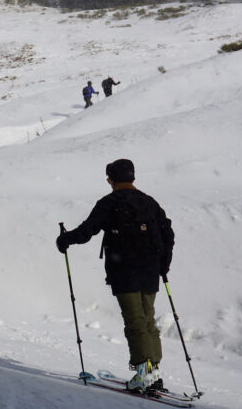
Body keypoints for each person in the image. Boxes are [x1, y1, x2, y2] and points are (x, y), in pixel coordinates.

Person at [56, 159, 174, 392]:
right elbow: (167, 233)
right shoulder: (149, 202)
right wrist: (164, 265)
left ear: (112, 179)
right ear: (132, 177)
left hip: (125, 270)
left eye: (108, 177)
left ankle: (144, 373)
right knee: (148, 320)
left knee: (135, 321)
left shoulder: (109, 202)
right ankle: (154, 372)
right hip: (151, 271)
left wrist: (65, 239)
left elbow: (88, 230)